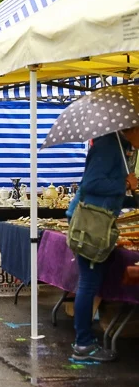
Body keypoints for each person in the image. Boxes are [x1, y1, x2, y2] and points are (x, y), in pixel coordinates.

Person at [68, 128, 139, 362]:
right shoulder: (109, 145)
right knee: (88, 283)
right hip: (92, 224)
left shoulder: (118, 146)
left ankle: (84, 339)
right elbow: (91, 183)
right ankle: (83, 344)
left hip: (99, 221)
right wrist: (124, 184)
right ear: (132, 127)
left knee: (91, 281)